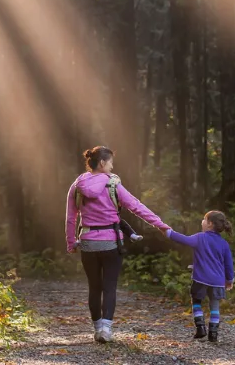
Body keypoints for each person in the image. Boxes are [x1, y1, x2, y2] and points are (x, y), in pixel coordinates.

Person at [65, 146, 170, 343]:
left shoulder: (77, 185)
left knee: (94, 287)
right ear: (103, 163)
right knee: (109, 286)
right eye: (111, 162)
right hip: (111, 243)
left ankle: (97, 329)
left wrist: (71, 242)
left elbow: (71, 218)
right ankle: (106, 329)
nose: (112, 166)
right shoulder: (112, 184)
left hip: (88, 242)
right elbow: (136, 206)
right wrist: (161, 225)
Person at [165, 211, 235, 343]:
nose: (202, 221)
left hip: (200, 279)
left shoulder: (200, 238)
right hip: (218, 281)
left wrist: (168, 232)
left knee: (196, 302)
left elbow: (183, 239)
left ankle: (201, 327)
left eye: (204, 219)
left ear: (210, 224)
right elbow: (228, 264)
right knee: (215, 306)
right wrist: (229, 280)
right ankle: (213, 334)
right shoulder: (224, 244)